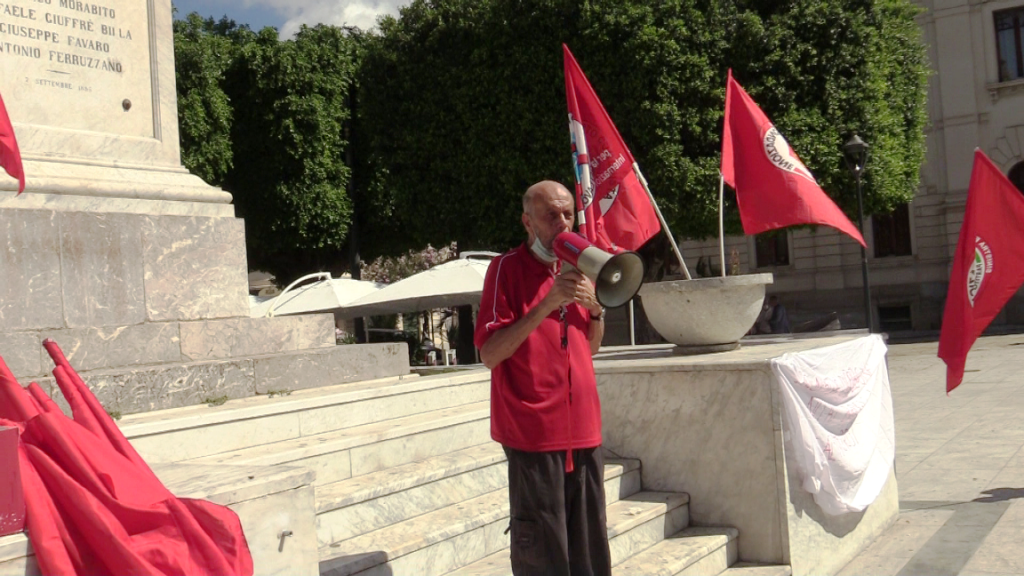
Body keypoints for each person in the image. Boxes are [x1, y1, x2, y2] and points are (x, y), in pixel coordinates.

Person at [474, 180, 611, 576]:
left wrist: (597, 311)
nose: (563, 222)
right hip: (533, 434)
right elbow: (490, 354)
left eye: (568, 214)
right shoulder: (505, 269)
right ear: (528, 222)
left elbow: (590, 347)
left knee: (589, 549)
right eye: (551, 215)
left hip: (584, 431)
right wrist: (548, 302)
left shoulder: (581, 268)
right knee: (543, 553)